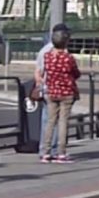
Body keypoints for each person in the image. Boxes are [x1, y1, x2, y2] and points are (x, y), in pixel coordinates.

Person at [40, 29, 81, 163]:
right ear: (66, 42)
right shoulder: (68, 58)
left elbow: (44, 71)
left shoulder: (47, 57)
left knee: (50, 122)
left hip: (51, 92)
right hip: (66, 93)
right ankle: (61, 153)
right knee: (63, 122)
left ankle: (46, 152)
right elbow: (76, 73)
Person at [33, 22, 70, 160]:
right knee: (56, 121)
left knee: (48, 121)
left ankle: (46, 150)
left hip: (48, 89)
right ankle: (53, 150)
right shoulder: (55, 51)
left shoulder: (45, 50)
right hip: (58, 90)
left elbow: (38, 71)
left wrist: (40, 85)